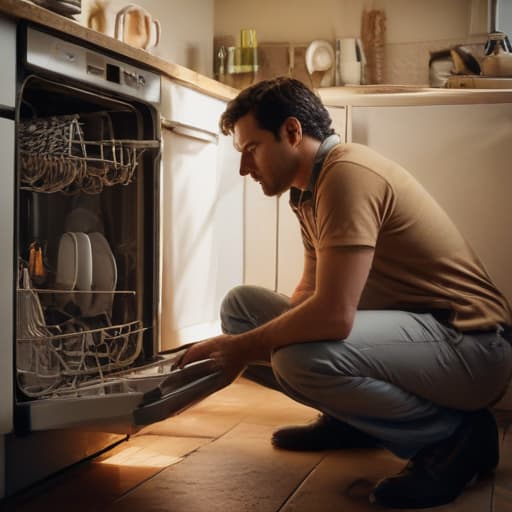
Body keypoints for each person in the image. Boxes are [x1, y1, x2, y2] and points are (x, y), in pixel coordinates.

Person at [177, 77, 512, 509]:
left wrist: (241, 350)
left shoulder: (346, 174)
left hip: (474, 347)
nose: (244, 169)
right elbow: (310, 293)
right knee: (242, 310)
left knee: (296, 358)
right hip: (428, 339)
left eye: (251, 149)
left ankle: (454, 437)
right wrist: (253, 341)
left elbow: (334, 316)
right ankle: (352, 419)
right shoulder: (307, 190)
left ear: (292, 133)